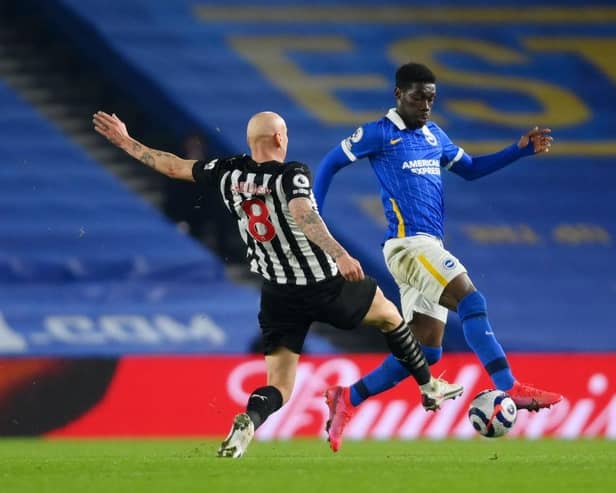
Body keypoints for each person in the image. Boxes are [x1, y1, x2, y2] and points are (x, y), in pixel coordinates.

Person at [92, 110, 463, 457]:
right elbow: (304, 216)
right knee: (390, 317)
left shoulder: (227, 172)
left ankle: (248, 423)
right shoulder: (292, 174)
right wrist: (340, 254)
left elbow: (172, 166)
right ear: (279, 137)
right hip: (322, 284)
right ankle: (429, 387)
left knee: (281, 386)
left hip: (276, 294)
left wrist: (127, 142)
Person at [314, 62, 563, 414]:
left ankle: (348, 398)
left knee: (427, 350)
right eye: (418, 98)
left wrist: (518, 150)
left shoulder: (435, 136)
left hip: (427, 248)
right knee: (472, 302)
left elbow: (471, 169)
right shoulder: (379, 133)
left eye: (431, 99)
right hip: (409, 246)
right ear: (399, 94)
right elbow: (329, 164)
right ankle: (510, 387)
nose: (426, 105)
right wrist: (315, 219)